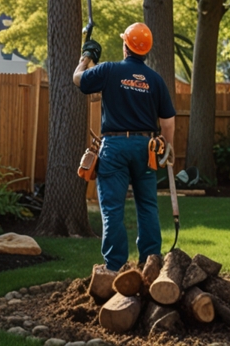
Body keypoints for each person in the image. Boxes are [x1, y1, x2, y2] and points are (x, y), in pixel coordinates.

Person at [72, 22, 176, 271]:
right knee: (148, 205)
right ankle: (151, 261)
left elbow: (78, 80)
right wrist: (168, 149)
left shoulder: (109, 70)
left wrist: (86, 56)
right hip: (146, 147)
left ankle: (115, 266)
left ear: (125, 45)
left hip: (115, 147)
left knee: (112, 207)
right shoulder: (155, 80)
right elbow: (169, 121)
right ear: (146, 50)